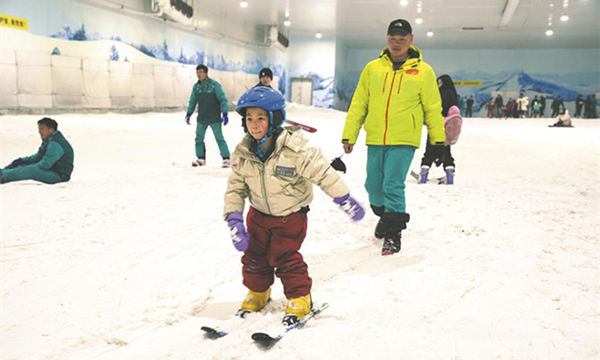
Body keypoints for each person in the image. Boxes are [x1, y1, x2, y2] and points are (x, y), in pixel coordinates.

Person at [224, 86, 365, 326]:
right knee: (254, 257)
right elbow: (236, 187)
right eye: (249, 119)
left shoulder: (296, 150)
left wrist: (344, 198)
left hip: (290, 218)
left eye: (260, 118)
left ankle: (300, 298)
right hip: (257, 216)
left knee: (285, 258)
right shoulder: (243, 152)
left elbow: (323, 174)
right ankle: (259, 293)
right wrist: (234, 217)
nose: (254, 124)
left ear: (274, 118)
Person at [341, 19, 444, 255]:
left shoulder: (424, 71)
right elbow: (359, 103)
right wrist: (350, 135)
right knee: (373, 186)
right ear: (387, 39)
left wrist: (438, 141)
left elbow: (432, 107)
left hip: (404, 139)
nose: (397, 43)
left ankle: (393, 232)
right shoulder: (373, 68)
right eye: (392, 38)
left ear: (411, 40)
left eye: (402, 39)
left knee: (392, 184)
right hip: (376, 137)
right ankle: (386, 217)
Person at [0, 117, 74, 184]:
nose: (39, 131)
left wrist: (27, 167)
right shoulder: (49, 140)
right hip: (51, 171)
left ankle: (3, 177)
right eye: (39, 128)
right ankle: (2, 172)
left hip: (59, 176)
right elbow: (38, 157)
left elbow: (45, 164)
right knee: (24, 165)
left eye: (42, 129)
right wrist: (22, 160)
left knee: (31, 170)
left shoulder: (56, 144)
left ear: (51, 130)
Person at [185, 64, 231, 168]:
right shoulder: (196, 87)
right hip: (202, 117)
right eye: (197, 72)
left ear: (206, 73)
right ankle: (201, 158)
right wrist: (189, 113)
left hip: (214, 117)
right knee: (199, 138)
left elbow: (222, 99)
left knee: (219, 138)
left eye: (201, 72)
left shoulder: (214, 85)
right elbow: (192, 101)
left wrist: (225, 113)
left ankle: (226, 158)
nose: (199, 74)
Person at [419, 74, 458, 184]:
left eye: (439, 82)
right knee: (447, 152)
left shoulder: (437, 94)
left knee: (429, 151)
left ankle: (423, 174)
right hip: (449, 127)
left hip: (436, 125)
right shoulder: (453, 94)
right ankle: (449, 174)